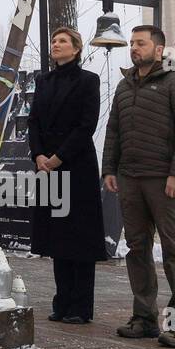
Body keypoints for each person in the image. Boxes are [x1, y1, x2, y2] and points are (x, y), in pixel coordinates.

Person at [102, 24, 175, 349]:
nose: (134, 48)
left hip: (164, 181)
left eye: (140, 43)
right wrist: (110, 170)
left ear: (158, 49)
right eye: (131, 43)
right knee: (137, 248)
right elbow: (113, 130)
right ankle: (144, 319)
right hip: (130, 180)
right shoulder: (124, 86)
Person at [28, 26, 107, 324]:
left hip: (76, 166)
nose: (56, 44)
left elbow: (86, 125)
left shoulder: (89, 80)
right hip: (46, 168)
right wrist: (38, 155)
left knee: (80, 237)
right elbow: (33, 121)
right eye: (53, 41)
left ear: (76, 48)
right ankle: (61, 302)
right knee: (57, 236)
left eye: (63, 41)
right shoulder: (43, 81)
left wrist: (58, 157)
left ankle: (81, 307)